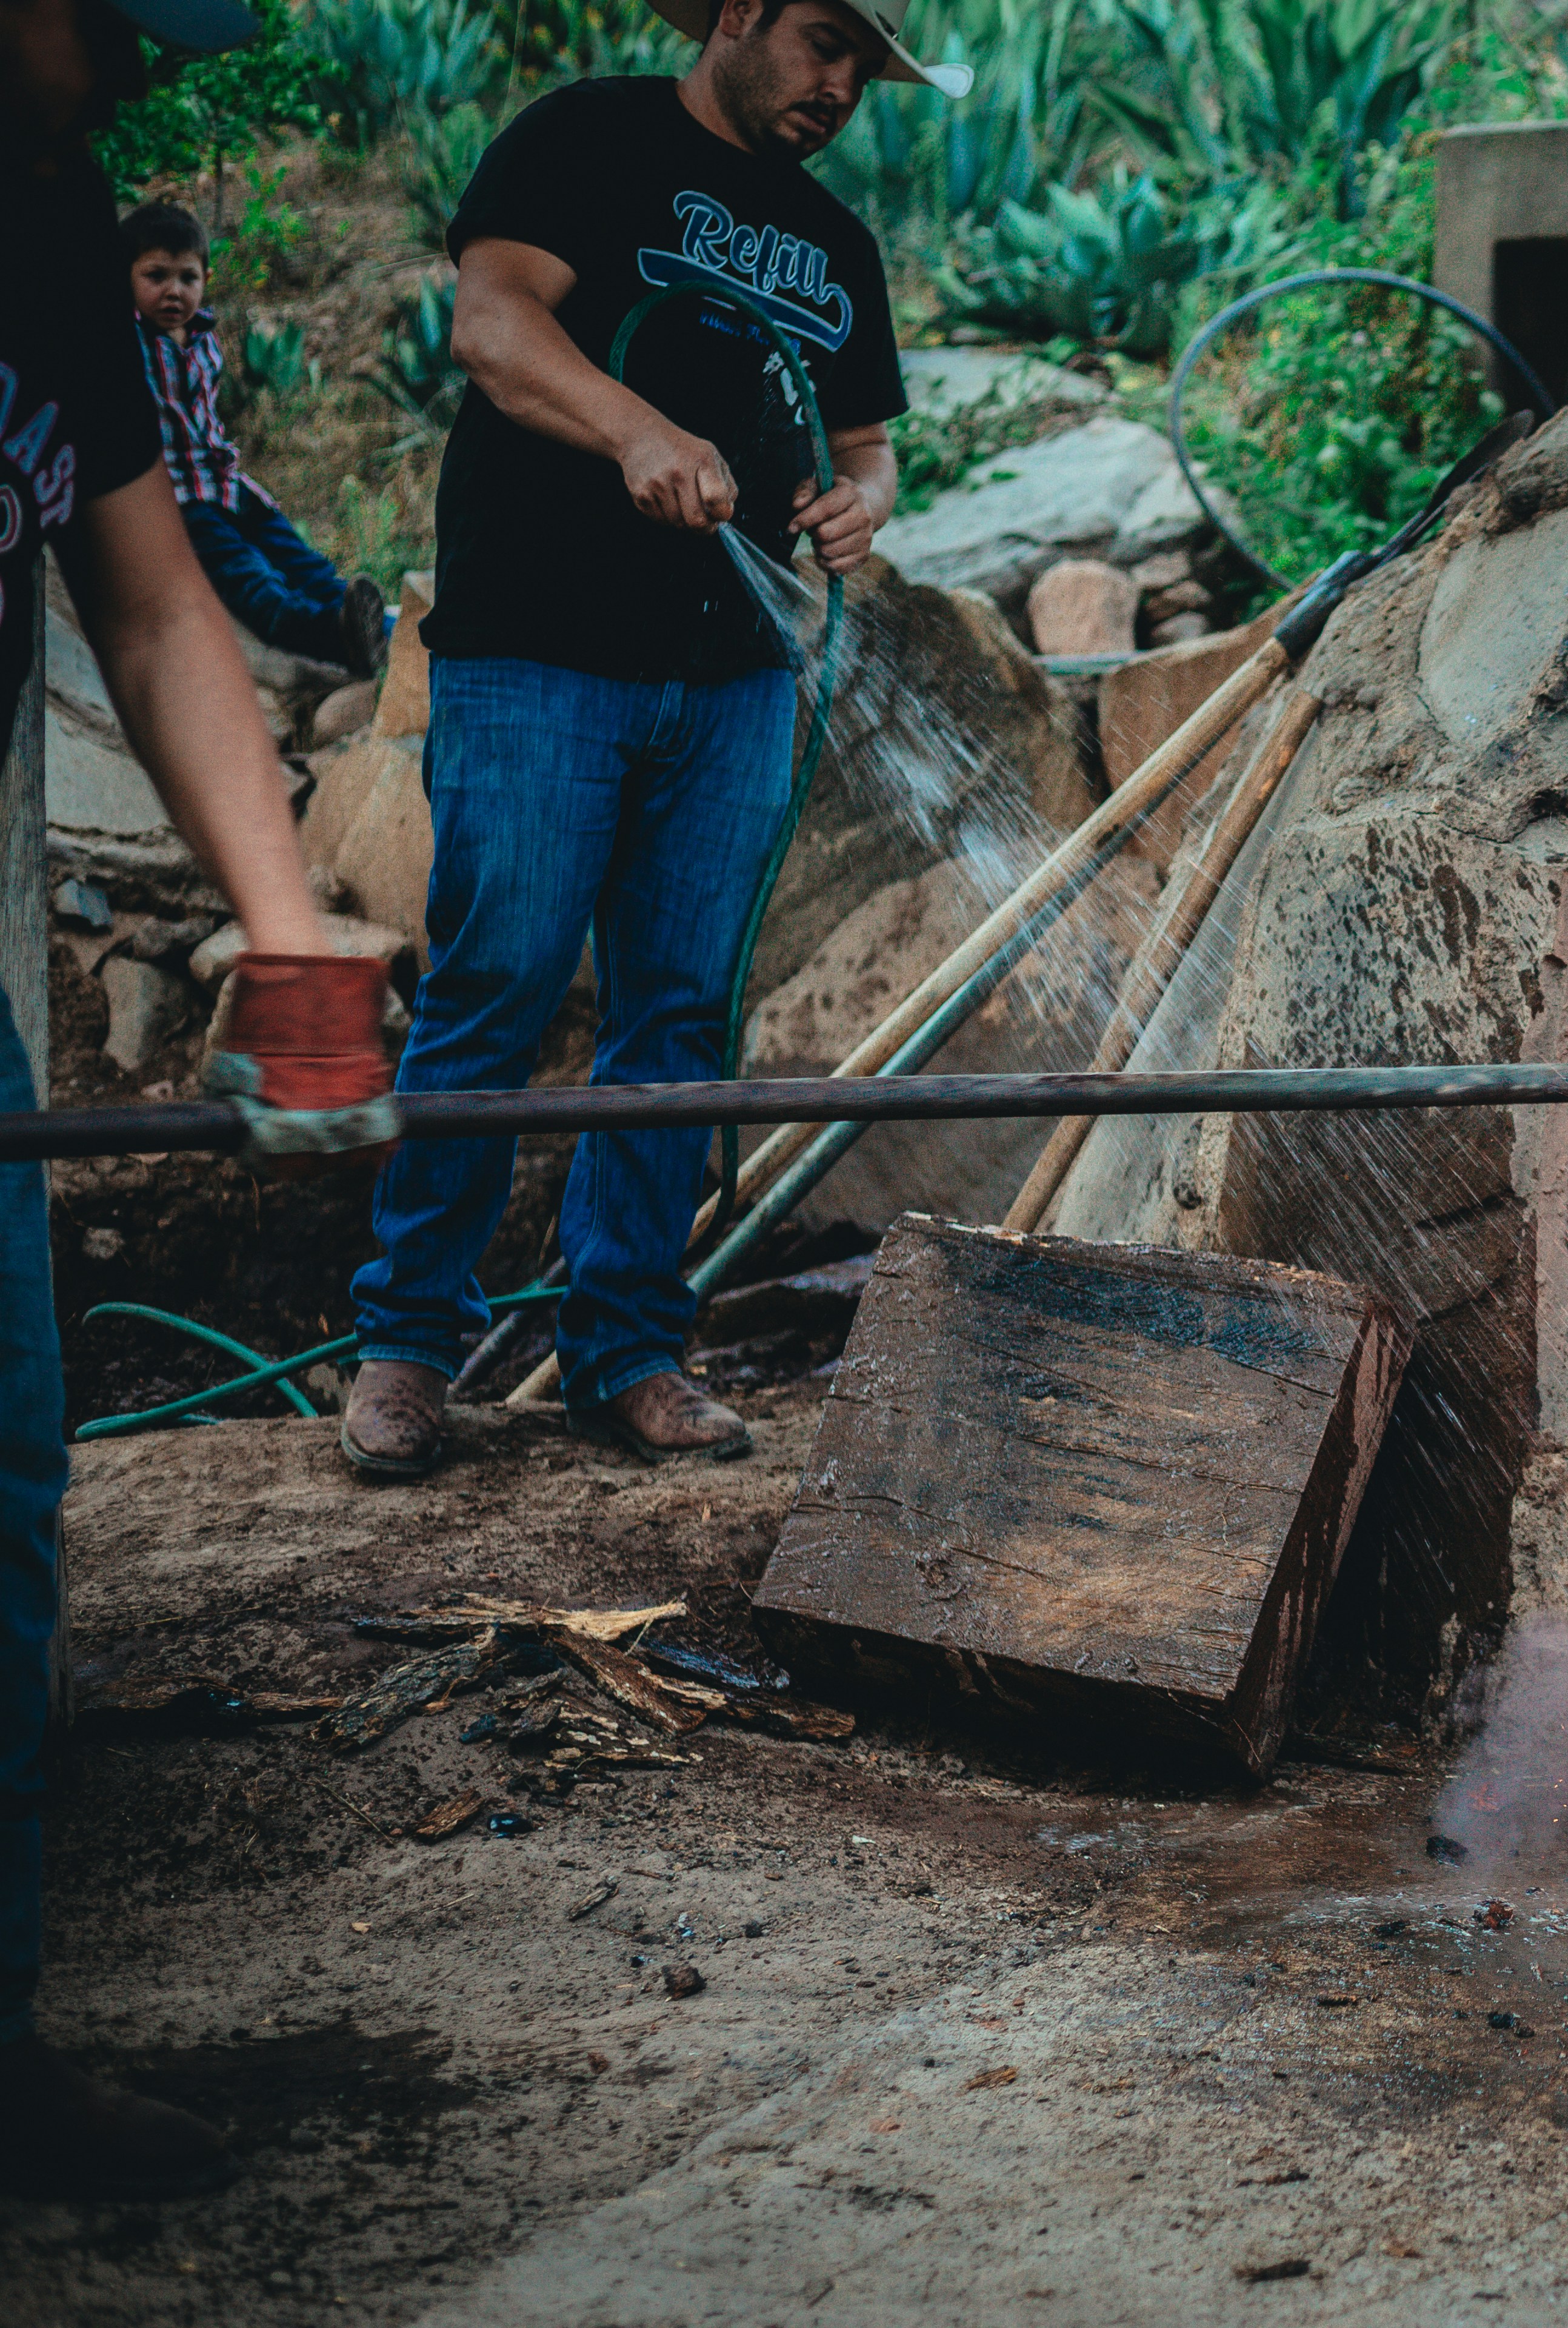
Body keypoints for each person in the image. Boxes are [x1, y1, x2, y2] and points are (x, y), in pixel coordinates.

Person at [338, 0, 959, 1478]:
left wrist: (861, 497)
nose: (840, 84)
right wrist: (633, 430)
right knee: (495, 983)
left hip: (738, 674)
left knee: (678, 1016)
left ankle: (625, 1346)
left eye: (865, 66)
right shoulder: (589, 137)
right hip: (539, 653)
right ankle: (409, 1345)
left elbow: (865, 443)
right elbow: (493, 325)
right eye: (822, 40)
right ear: (736, 13)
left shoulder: (835, 244)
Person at [0, 0, 395, 2199]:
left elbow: (146, 596)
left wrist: (289, 921)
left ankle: (0, 2037)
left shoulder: (52, 223)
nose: (144, 59)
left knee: (4, 1473)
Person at [124, 200, 387, 675]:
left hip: (229, 487)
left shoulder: (203, 338)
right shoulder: (125, 340)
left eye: (188, 278)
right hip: (178, 500)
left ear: (205, 278)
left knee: (304, 561)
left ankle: (381, 632)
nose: (173, 292)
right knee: (254, 580)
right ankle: (331, 638)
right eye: (155, 276)